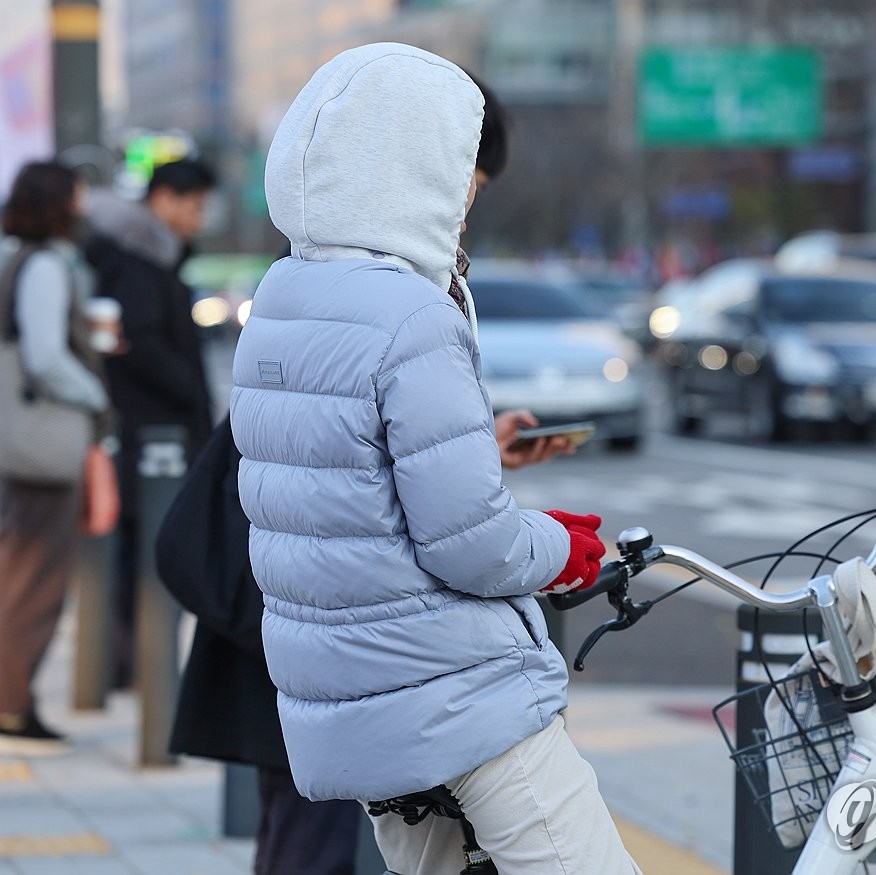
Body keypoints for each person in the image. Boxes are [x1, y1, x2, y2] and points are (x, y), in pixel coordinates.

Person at [228, 43, 638, 874]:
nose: (462, 204)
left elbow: (350, 492)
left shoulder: (278, 299)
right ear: (409, 163)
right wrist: (565, 547)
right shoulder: (412, 315)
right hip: (453, 692)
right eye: (456, 171)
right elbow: (469, 544)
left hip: (344, 703)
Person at [84, 159, 216, 685]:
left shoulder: (146, 257)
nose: (199, 220)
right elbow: (140, 345)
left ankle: (131, 664)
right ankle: (131, 664)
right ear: (162, 199)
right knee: (143, 548)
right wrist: (188, 392)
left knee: (139, 547)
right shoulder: (138, 262)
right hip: (150, 432)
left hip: (150, 428)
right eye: (195, 206)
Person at [0, 161, 114, 753]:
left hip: (16, 439)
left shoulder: (12, 254)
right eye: (76, 194)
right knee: (35, 580)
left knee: (17, 571)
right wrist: (95, 392)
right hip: (43, 443)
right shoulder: (44, 265)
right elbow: (44, 355)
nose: (83, 204)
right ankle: (14, 704)